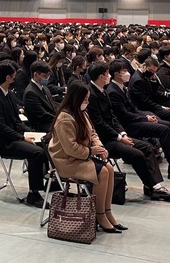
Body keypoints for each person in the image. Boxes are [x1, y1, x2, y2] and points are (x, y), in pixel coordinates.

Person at [49, 81, 127, 233]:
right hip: (66, 161)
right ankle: (99, 215)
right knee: (103, 172)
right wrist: (92, 151)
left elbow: (92, 133)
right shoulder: (65, 118)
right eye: (85, 99)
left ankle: (107, 211)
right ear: (76, 98)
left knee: (109, 168)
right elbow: (70, 148)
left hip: (80, 156)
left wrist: (100, 147)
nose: (87, 102)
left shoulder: (81, 112)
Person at [0, 61, 48, 208]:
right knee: (37, 153)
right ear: (8, 77)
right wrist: (22, 137)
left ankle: (45, 181)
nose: (15, 79)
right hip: (4, 142)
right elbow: (1, 128)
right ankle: (34, 193)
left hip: (13, 136)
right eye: (13, 76)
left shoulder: (8, 94)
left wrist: (30, 132)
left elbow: (16, 121)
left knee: (43, 141)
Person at [23, 61, 57, 133]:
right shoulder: (30, 92)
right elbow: (42, 115)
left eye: (48, 76)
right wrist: (59, 119)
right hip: (42, 126)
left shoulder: (44, 88)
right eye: (44, 76)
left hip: (51, 121)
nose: (47, 78)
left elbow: (53, 106)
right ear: (36, 74)